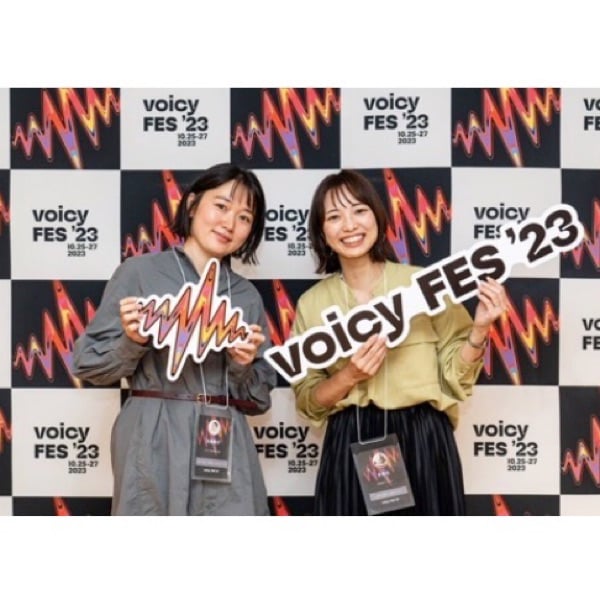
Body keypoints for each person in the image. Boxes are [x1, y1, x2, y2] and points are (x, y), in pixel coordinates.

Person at [291, 170, 508, 516]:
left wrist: (479, 329)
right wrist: (348, 376)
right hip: (349, 440)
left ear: (377, 217)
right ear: (321, 232)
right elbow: (308, 401)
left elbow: (456, 377)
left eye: (359, 210)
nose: (349, 225)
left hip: (423, 438)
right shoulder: (312, 303)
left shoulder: (423, 285)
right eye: (334, 217)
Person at [72, 163, 276, 516]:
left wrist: (241, 365)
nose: (230, 223)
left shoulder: (246, 296)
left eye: (245, 217)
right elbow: (88, 365)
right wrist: (133, 341)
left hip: (223, 434)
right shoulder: (139, 273)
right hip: (152, 431)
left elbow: (260, 399)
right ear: (193, 204)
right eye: (221, 206)